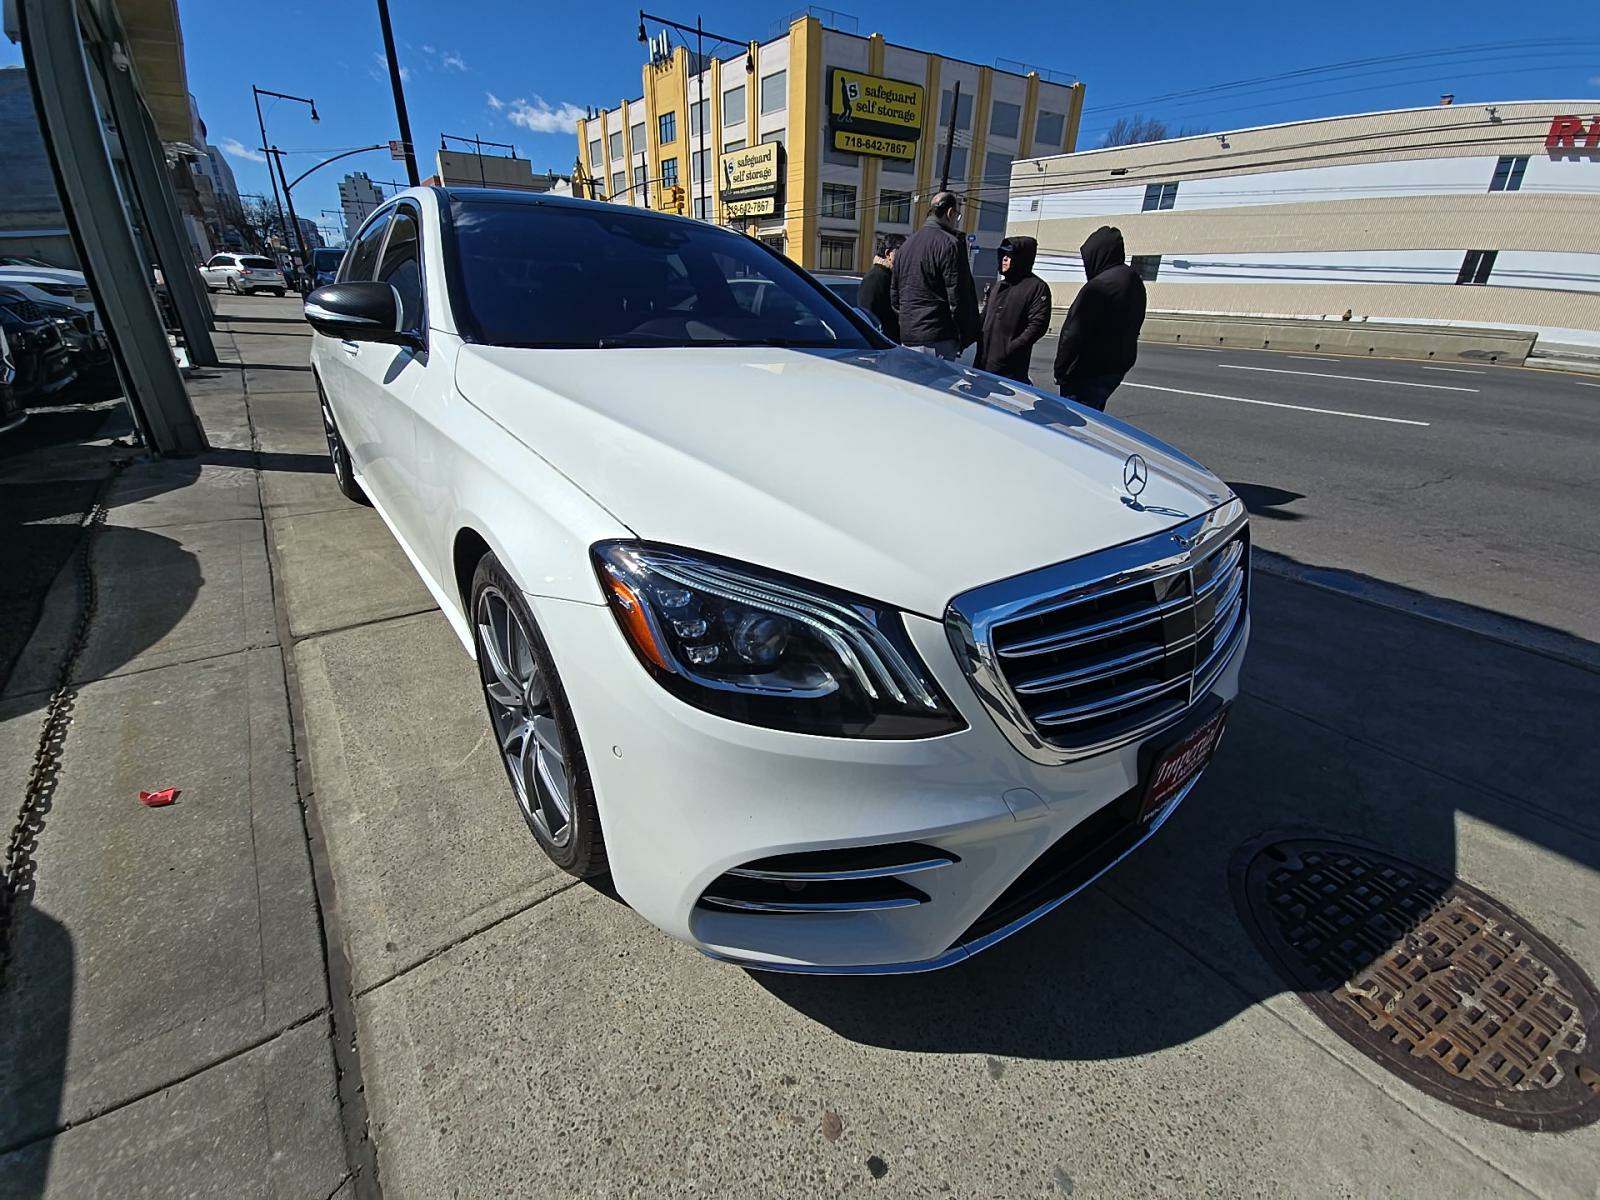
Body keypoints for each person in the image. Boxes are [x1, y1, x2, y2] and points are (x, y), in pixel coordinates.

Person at [1052, 225, 1147, 411]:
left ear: (1098, 255)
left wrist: (1061, 370)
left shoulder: (1099, 286)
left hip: (1086, 369)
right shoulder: (1134, 281)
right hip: (1116, 366)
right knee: (1094, 415)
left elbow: (1073, 333)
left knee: (1074, 417)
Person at [890, 191, 979, 359]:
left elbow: (895, 296)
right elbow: (958, 298)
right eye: (957, 216)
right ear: (950, 213)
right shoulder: (950, 244)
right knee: (936, 384)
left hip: (908, 336)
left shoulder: (906, 246)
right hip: (938, 337)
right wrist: (964, 335)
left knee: (910, 384)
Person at [975, 236, 1051, 384]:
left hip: (1010, 370)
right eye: (1003, 255)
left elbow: (1038, 325)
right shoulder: (998, 286)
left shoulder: (1036, 287)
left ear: (1021, 259)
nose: (1004, 259)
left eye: (1009, 256)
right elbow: (984, 319)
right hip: (983, 363)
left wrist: (1010, 349)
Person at [857, 233, 902, 342]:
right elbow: (867, 316)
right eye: (901, 252)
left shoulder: (890, 276)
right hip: (881, 345)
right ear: (888, 254)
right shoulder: (875, 278)